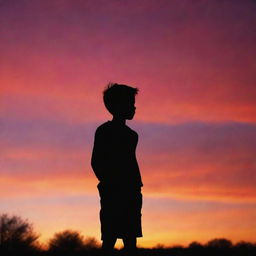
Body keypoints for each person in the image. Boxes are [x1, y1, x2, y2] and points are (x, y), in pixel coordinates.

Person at [91, 83, 143, 255]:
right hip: (112, 191)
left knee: (130, 236)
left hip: (132, 190)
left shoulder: (132, 135)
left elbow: (130, 162)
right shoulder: (104, 131)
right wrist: (110, 182)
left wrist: (133, 184)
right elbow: (96, 161)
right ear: (116, 106)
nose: (133, 107)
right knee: (110, 236)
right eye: (129, 103)